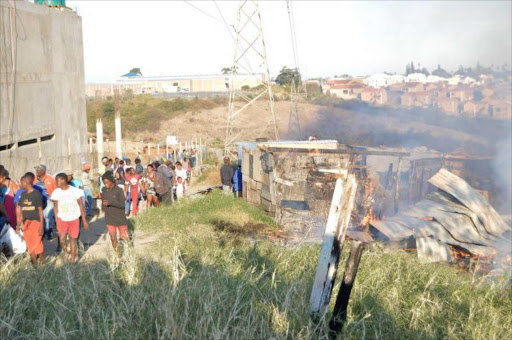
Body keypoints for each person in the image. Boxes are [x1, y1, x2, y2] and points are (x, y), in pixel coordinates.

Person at [51, 173, 88, 262]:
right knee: (62, 239)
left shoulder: (75, 191)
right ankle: (65, 252)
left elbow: (81, 206)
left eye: (57, 180)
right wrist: (56, 220)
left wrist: (84, 220)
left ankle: (73, 259)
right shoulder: (56, 192)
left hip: (74, 218)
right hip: (62, 219)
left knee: (73, 238)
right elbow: (55, 207)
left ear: (63, 180)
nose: (55, 182)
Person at [16, 175, 44, 264]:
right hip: (26, 222)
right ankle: (34, 264)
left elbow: (40, 210)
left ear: (25, 183)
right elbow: (19, 208)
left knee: (37, 243)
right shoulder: (23, 195)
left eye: (21, 183)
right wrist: (18, 224)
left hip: (36, 222)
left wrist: (41, 225)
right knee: (29, 242)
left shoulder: (37, 194)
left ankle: (42, 263)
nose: (20, 185)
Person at [101, 172, 129, 258]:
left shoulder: (119, 190)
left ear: (112, 181)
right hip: (109, 218)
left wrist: (111, 202)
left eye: (107, 183)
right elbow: (103, 200)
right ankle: (119, 256)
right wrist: (103, 206)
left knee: (124, 238)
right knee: (113, 237)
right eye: (104, 183)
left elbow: (122, 205)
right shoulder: (104, 190)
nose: (105, 185)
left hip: (120, 217)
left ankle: (128, 253)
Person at [34, 165, 56, 238]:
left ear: (43, 171)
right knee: (41, 216)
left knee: (48, 216)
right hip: (38, 200)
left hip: (48, 199)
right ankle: (43, 231)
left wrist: (53, 198)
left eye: (38, 170)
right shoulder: (34, 178)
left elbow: (54, 189)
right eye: (36, 170)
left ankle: (49, 230)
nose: (36, 171)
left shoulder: (50, 179)